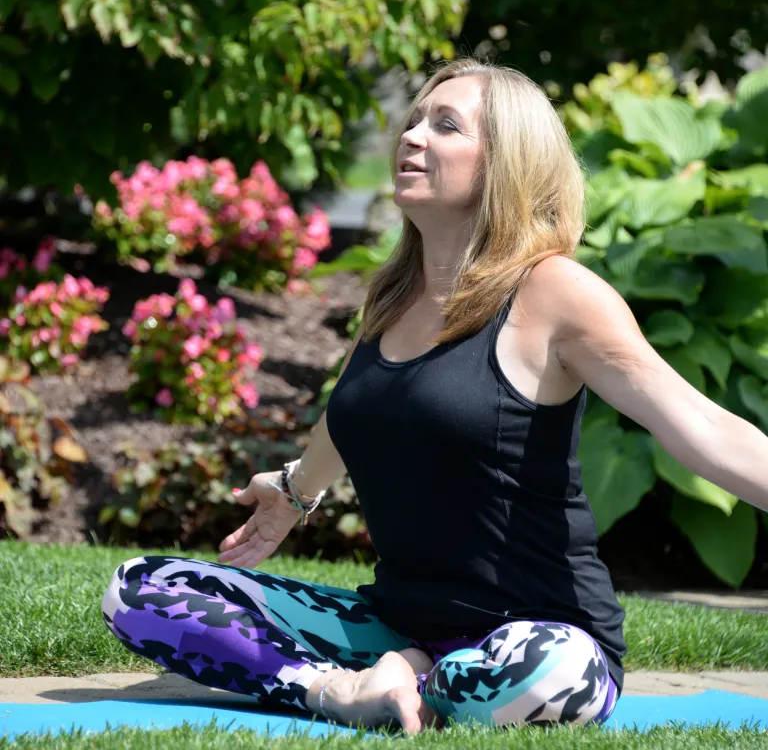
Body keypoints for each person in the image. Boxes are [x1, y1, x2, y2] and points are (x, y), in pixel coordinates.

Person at [101, 58, 768, 734]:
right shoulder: (395, 295)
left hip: (537, 639)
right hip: (391, 623)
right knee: (142, 590)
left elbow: (700, 427)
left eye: (445, 125)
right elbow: (357, 412)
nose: (413, 136)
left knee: (550, 672)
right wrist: (296, 491)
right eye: (415, 119)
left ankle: (408, 680)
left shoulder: (554, 293)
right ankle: (339, 689)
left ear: (508, 163)